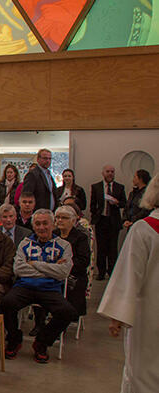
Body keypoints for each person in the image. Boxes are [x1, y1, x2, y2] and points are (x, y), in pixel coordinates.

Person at [98, 174, 159, 393]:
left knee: (142, 371)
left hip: (148, 314)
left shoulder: (144, 229)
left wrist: (117, 316)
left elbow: (128, 276)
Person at [1, 209, 78, 364]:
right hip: (25, 287)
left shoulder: (64, 245)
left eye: (45, 223)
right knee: (6, 303)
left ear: (53, 224)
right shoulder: (25, 243)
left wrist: (34, 264)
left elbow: (63, 273)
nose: (41, 227)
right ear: (33, 225)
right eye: (37, 224)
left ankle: (42, 342)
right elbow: (18, 269)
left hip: (50, 289)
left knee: (67, 312)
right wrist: (51, 268)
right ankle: (15, 339)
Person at [90, 164, 126, 279]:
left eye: (112, 172)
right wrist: (95, 215)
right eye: (108, 171)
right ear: (103, 173)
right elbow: (92, 205)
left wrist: (116, 202)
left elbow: (124, 203)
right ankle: (101, 272)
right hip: (101, 220)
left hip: (114, 221)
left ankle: (112, 272)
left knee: (112, 248)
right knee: (101, 248)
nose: (110, 174)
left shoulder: (120, 187)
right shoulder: (96, 187)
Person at [53, 206, 91, 316]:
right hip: (53, 272)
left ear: (73, 221)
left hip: (74, 274)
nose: (60, 220)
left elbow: (84, 261)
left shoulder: (81, 237)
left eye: (64, 218)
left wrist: (65, 263)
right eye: (58, 217)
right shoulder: (53, 235)